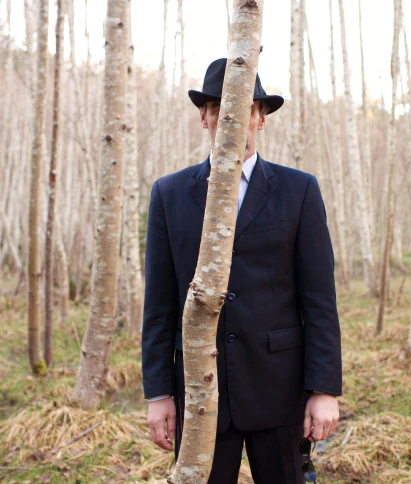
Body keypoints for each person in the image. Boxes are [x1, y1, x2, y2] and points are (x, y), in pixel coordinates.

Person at [142, 58, 342, 483]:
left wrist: (323, 389)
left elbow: (320, 300)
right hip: (200, 396)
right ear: (204, 117)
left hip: (280, 389)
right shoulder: (169, 194)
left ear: (260, 117)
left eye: (245, 109)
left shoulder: (299, 190)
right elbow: (159, 303)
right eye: (218, 109)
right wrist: (159, 393)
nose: (230, 120)